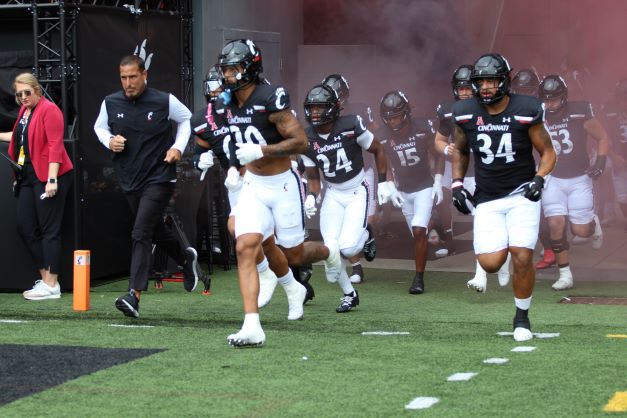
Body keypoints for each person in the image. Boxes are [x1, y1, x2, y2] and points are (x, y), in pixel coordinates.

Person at [216, 39, 341, 347]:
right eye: (226, 70)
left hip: (283, 184)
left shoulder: (270, 97)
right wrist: (233, 167)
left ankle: (329, 253)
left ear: (250, 69)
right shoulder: (227, 102)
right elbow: (236, 141)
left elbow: (301, 142)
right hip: (253, 186)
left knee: (294, 253)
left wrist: (262, 149)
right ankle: (251, 325)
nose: (228, 76)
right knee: (245, 245)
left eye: (234, 69)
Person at [451, 53, 556, 342]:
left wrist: (539, 178)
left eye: (491, 80)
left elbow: (548, 152)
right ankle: (505, 250)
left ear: (504, 81)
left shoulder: (526, 109)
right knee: (490, 264)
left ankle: (521, 318)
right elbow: (460, 150)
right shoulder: (464, 111)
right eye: (480, 81)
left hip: (522, 193)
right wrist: (457, 184)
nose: (485, 86)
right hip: (487, 198)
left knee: (522, 256)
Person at [191, 66, 308, 319]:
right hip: (239, 181)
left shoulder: (257, 102)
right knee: (241, 234)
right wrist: (200, 160)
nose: (219, 90)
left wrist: (266, 153)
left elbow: (292, 138)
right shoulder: (207, 116)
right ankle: (270, 280)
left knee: (287, 249)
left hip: (266, 176)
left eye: (222, 84)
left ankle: (286, 278)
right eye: (214, 86)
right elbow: (203, 147)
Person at [93, 55, 201, 318]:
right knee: (152, 231)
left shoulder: (164, 100)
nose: (128, 83)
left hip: (160, 177)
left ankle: (134, 294)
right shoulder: (111, 102)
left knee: (140, 232)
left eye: (133, 77)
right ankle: (185, 257)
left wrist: (177, 147)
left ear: (144, 75)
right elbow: (99, 127)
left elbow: (187, 119)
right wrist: (109, 141)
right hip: (129, 177)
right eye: (123, 77)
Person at [301, 84, 398, 311]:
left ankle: (367, 233)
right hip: (333, 193)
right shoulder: (306, 138)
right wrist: (311, 197)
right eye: (312, 108)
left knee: (346, 248)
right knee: (330, 250)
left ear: (333, 108)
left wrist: (384, 181)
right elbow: (314, 177)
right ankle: (349, 294)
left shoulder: (351, 124)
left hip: (356, 190)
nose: (315, 113)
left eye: (320, 108)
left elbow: (378, 150)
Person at [434, 64, 511, 292]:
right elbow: (438, 140)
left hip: (483, 172)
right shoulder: (448, 110)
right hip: (459, 171)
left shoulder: (488, 106)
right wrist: (448, 150)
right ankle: (501, 261)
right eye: (461, 88)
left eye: (469, 87)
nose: (465, 92)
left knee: (482, 224)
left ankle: (483, 273)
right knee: (473, 219)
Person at [0, 73, 73, 300]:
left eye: (27, 93)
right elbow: (18, 138)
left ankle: (52, 284)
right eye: (19, 94)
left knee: (49, 230)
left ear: (37, 91)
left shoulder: (49, 110)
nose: (23, 97)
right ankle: (47, 280)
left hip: (49, 175)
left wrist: (52, 180)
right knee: (26, 227)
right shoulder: (25, 111)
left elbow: (55, 146)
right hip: (29, 176)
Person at [538, 74, 608, 290]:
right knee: (555, 225)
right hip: (553, 177)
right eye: (546, 99)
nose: (550, 104)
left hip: (579, 177)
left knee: (581, 231)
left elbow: (603, 137)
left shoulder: (580, 111)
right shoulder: (537, 114)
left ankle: (592, 224)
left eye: (554, 99)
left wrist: (600, 163)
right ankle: (565, 274)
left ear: (564, 97)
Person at [378, 90, 443, 294]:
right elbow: (384, 161)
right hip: (403, 189)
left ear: (405, 113)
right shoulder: (382, 135)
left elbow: (439, 154)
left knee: (417, 230)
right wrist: (389, 184)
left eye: (396, 116)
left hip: (424, 185)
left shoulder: (422, 127)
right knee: (418, 235)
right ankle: (433, 222)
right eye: (388, 117)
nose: (392, 121)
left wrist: (438, 181)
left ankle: (418, 278)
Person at [321, 73, 377, 284]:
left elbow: (373, 138)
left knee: (367, 219)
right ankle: (357, 267)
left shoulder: (358, 112)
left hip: (361, 172)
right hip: (336, 180)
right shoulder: (321, 115)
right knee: (341, 228)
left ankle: (367, 233)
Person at [601, 79, 627, 231]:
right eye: (623, 97)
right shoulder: (611, 113)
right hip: (618, 158)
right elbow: (604, 136)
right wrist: (613, 155)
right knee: (623, 195)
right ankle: (609, 210)